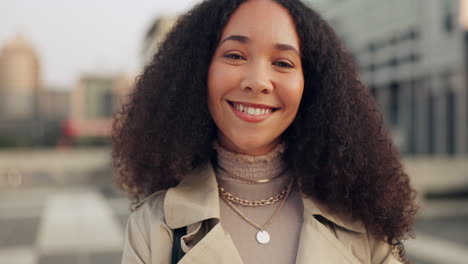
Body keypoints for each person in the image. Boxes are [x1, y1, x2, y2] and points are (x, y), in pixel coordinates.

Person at [112, 0, 418, 263]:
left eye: (283, 63)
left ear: (310, 86)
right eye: (235, 55)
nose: (257, 81)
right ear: (198, 72)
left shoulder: (361, 219)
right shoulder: (153, 228)